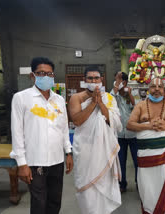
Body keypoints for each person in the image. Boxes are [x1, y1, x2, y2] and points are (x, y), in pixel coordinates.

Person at [10, 57, 73, 214]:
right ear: (33, 76)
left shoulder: (58, 100)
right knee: (39, 203)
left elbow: (63, 128)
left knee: (55, 201)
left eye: (49, 74)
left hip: (57, 160)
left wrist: (69, 152)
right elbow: (16, 132)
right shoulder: (21, 98)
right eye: (41, 73)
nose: (46, 77)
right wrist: (22, 163)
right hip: (35, 161)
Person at [127, 78, 165, 214]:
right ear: (148, 89)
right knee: (146, 189)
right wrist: (149, 125)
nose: (156, 89)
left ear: (163, 89)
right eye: (153, 86)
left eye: (160, 87)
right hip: (145, 157)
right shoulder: (141, 105)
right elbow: (130, 125)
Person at [69, 67, 122, 214]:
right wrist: (93, 103)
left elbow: (115, 123)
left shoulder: (109, 98)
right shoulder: (77, 98)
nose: (93, 81)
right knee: (87, 190)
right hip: (85, 149)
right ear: (85, 80)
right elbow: (77, 121)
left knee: (104, 185)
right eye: (90, 78)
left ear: (101, 80)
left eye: (96, 78)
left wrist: (100, 103)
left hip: (104, 149)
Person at [110, 71, 137, 193]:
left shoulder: (133, 92)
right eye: (115, 80)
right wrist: (116, 87)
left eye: (118, 80)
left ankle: (139, 183)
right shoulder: (113, 94)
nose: (116, 82)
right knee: (120, 161)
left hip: (133, 134)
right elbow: (110, 102)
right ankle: (122, 184)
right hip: (120, 134)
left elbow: (136, 106)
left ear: (124, 82)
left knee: (137, 160)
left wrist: (129, 94)